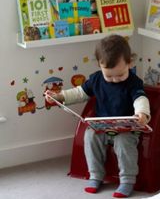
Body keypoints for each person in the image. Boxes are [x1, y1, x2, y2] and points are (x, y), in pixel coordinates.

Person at [46, 34, 150, 198]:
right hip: (102, 127)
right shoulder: (96, 79)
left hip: (126, 129)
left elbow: (140, 98)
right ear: (100, 65)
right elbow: (80, 93)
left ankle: (127, 180)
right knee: (89, 136)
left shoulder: (133, 82)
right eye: (109, 75)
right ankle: (95, 175)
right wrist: (60, 96)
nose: (115, 79)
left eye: (120, 75)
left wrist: (142, 113)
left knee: (124, 144)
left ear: (130, 63)